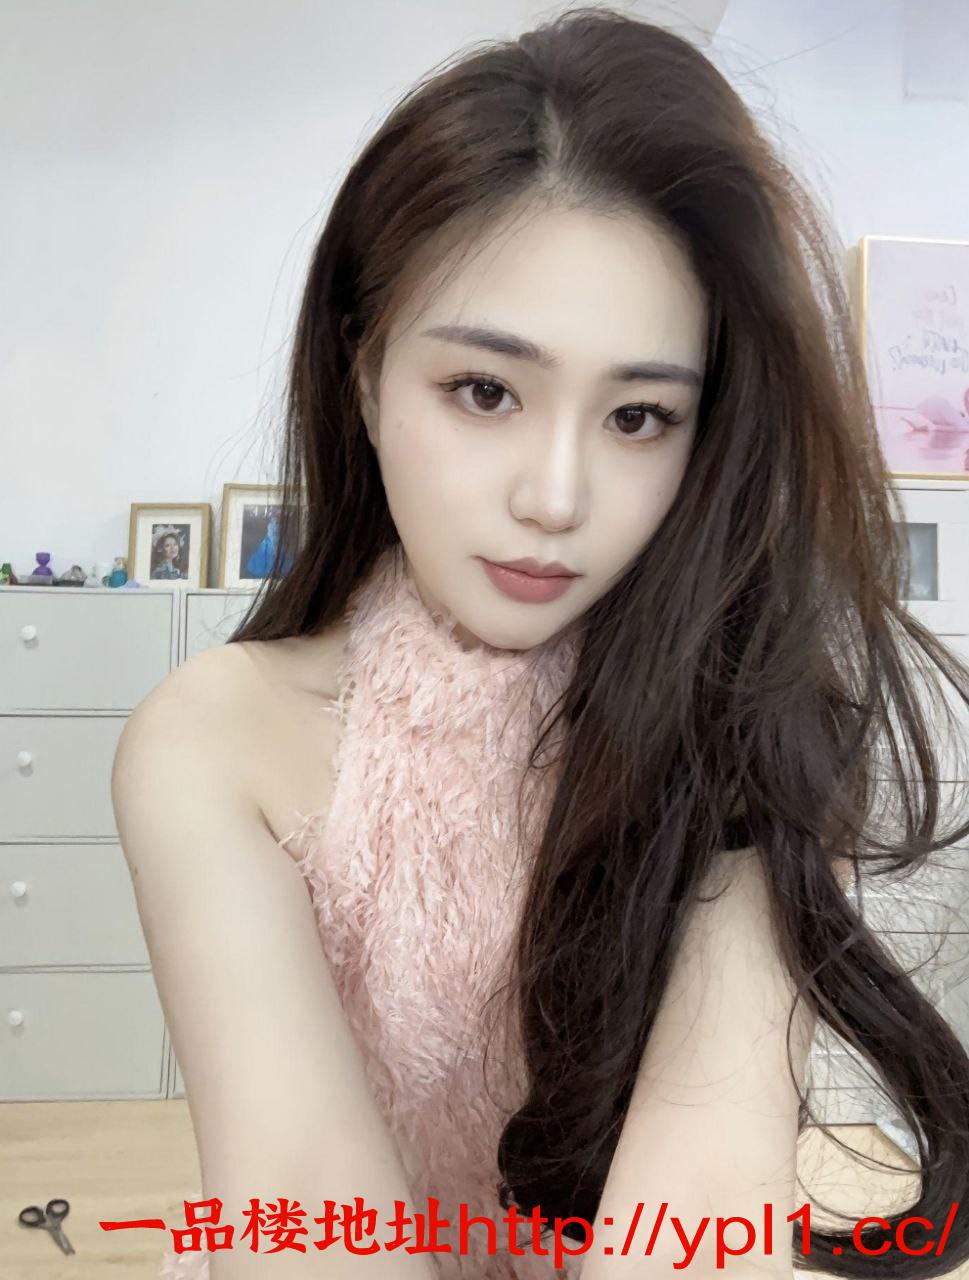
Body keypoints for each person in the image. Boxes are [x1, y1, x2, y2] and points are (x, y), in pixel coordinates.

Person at [111, 8, 969, 1280]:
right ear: (364, 371)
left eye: (638, 415)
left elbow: (692, 1225)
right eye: (486, 391)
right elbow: (306, 1209)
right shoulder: (218, 739)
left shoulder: (746, 726)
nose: (556, 497)